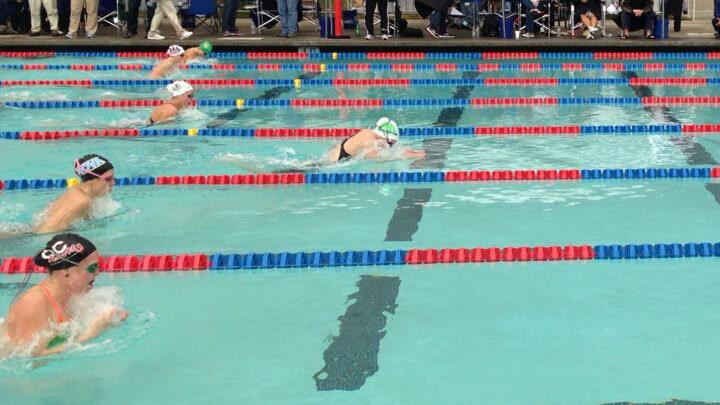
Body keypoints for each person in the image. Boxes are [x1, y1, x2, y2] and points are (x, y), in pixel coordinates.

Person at [2, 234, 128, 357]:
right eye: (92, 268)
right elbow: (29, 359)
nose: (97, 272)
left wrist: (107, 320)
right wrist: (89, 335)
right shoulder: (34, 302)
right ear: (66, 271)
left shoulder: (71, 296)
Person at [33, 154, 115, 234]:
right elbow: (46, 231)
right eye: (108, 179)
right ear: (92, 180)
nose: (113, 183)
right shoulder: (81, 201)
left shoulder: (77, 190)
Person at [327, 117, 425, 161]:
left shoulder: (370, 132)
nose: (390, 146)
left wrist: (408, 151)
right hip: (336, 159)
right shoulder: (369, 142)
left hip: (339, 148)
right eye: (390, 143)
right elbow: (380, 159)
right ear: (384, 136)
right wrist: (403, 156)